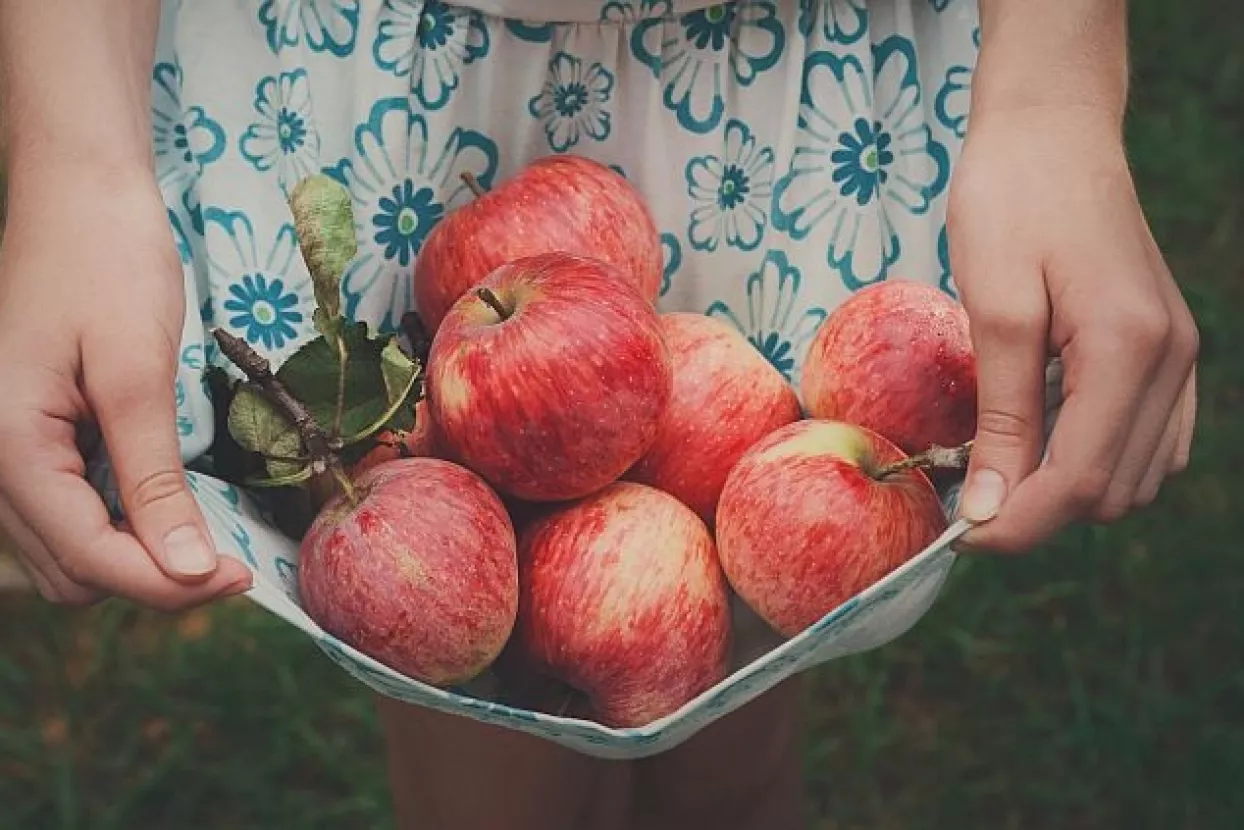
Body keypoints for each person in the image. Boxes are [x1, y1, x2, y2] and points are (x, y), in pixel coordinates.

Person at [0, 0, 1199, 828]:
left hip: (781, 87)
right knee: (464, 689)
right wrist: (69, 163)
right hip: (404, 72)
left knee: (762, 622)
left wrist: (1052, 92)